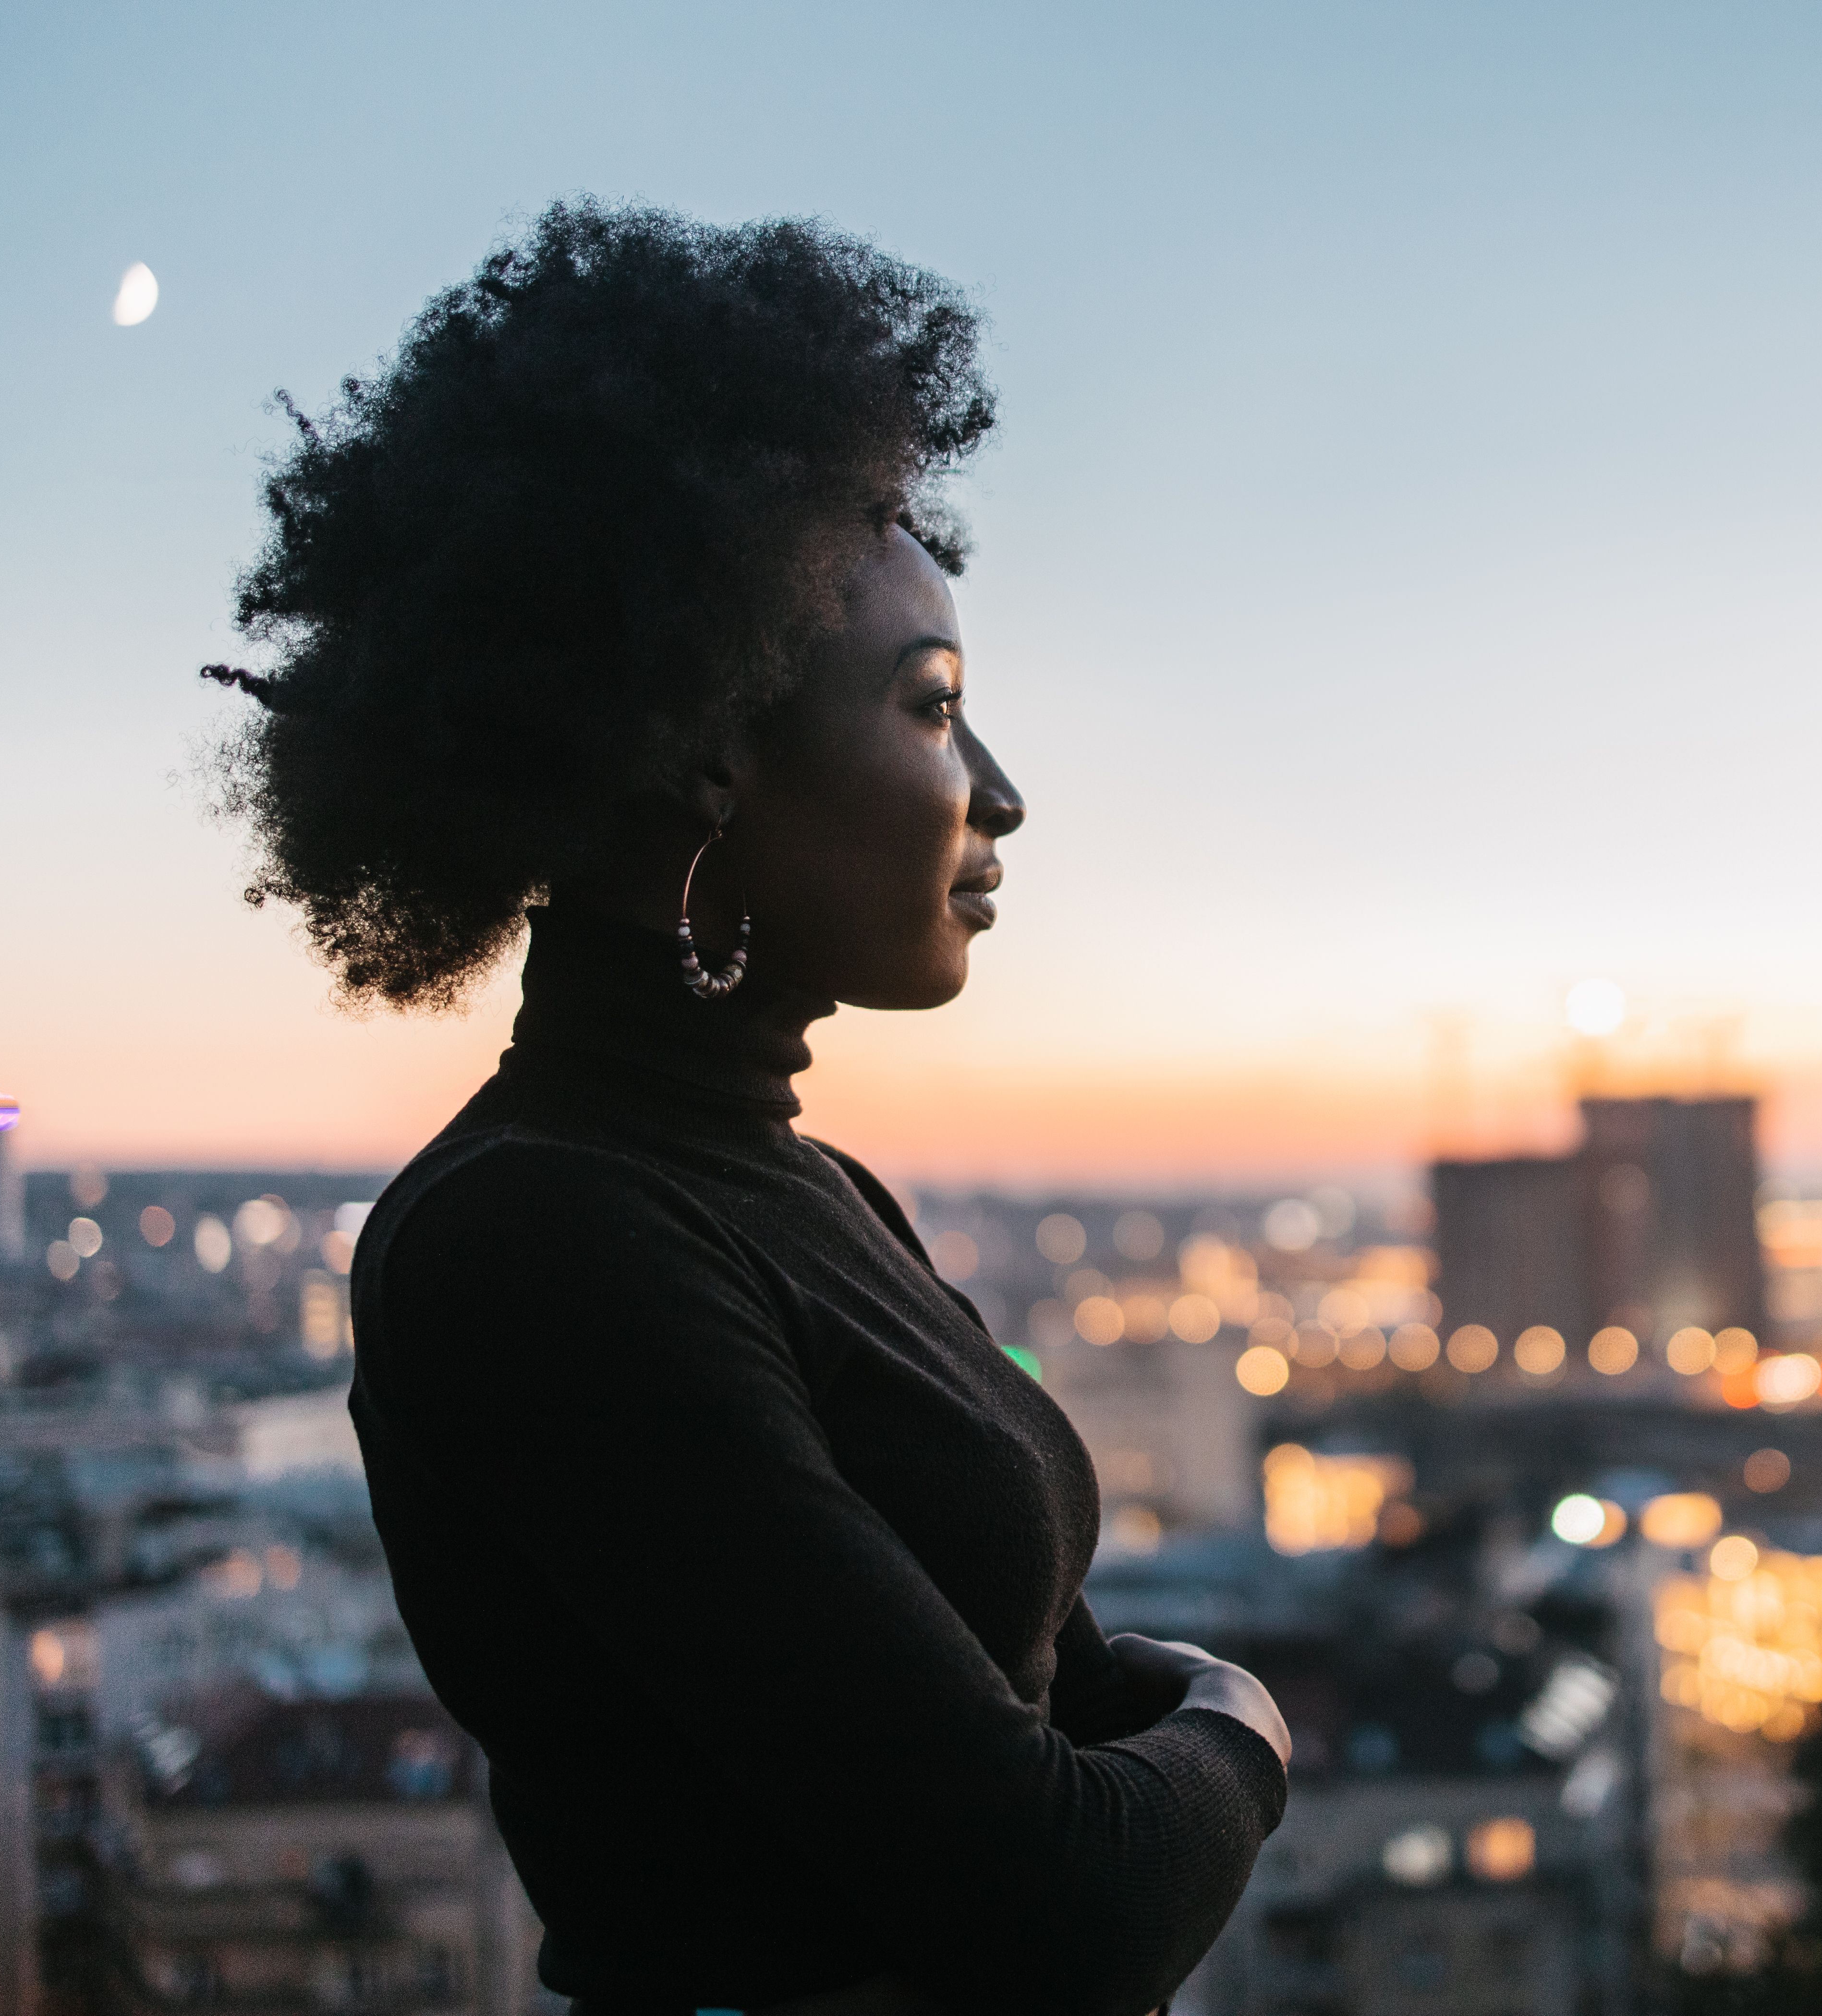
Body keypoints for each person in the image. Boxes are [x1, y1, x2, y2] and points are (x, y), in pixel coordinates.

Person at [201, 202, 1289, 2016]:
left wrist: (1151, 1748)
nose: (999, 794)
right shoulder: (541, 1241)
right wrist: (1246, 1730)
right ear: (713, 749)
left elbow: (1054, 1691)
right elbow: (1062, 1904)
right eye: (934, 710)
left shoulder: (811, 1190)